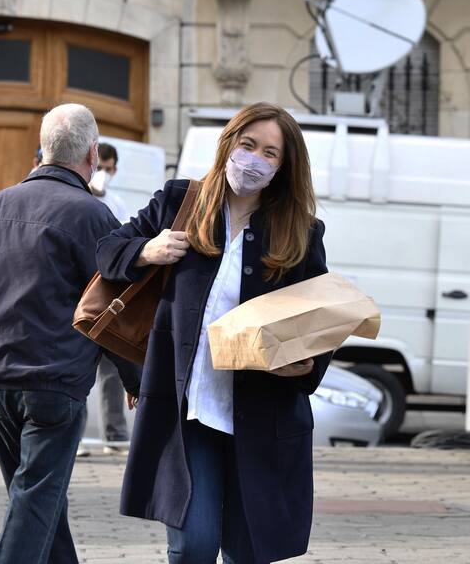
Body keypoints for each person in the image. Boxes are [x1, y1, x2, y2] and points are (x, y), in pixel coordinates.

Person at [96, 102, 330, 563]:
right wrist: (147, 250)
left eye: (269, 153)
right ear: (228, 145)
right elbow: (106, 251)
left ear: (283, 167)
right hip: (189, 412)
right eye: (248, 145)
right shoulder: (180, 203)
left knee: (247, 551)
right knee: (194, 546)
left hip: (261, 416)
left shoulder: (300, 233)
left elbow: (320, 322)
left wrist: (306, 366)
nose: (254, 159)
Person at [0, 103, 141, 564]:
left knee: (36, 500)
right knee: (35, 501)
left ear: (44, 149)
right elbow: (116, 308)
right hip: (54, 381)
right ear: (93, 154)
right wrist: (136, 378)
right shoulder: (92, 215)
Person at [79, 141, 131, 457]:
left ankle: (115, 437)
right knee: (78, 369)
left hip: (108, 295)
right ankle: (76, 437)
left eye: (109, 170)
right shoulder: (78, 197)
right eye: (101, 168)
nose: (104, 174)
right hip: (81, 295)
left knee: (112, 372)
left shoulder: (117, 203)